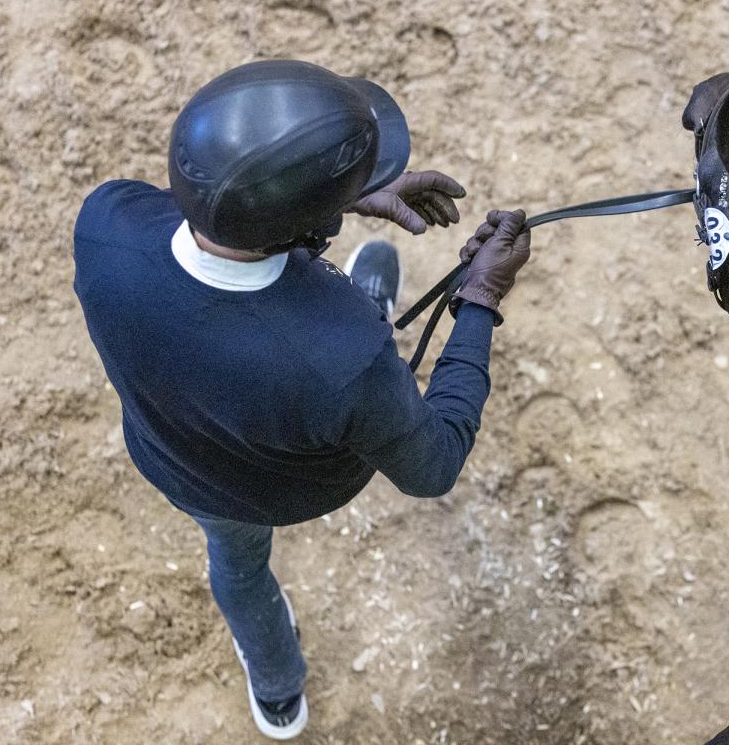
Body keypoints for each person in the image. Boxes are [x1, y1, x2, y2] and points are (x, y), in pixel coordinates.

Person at [73, 60, 531, 740]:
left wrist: (336, 198)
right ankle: (366, 303)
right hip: (292, 471)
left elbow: (216, 211)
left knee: (236, 566)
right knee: (347, 351)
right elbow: (433, 468)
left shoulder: (105, 222)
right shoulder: (345, 358)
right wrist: (481, 300)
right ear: (307, 230)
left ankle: (277, 689)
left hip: (180, 461)